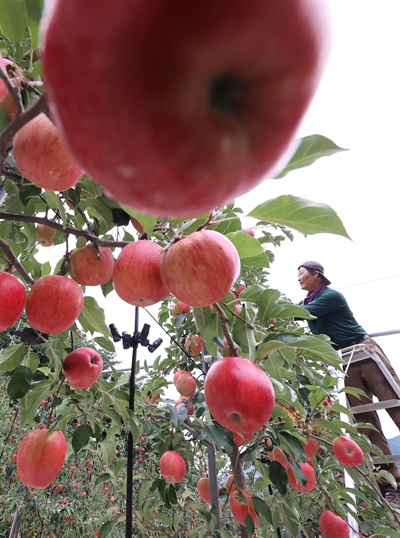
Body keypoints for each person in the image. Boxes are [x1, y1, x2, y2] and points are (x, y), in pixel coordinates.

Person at [297, 261, 400, 505]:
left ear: (316, 274)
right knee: (365, 423)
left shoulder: (330, 296)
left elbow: (302, 314)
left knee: (394, 404)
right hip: (343, 361)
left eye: (300, 273)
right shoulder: (309, 301)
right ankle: (391, 484)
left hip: (364, 353)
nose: (298, 278)